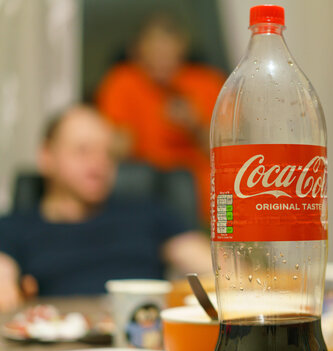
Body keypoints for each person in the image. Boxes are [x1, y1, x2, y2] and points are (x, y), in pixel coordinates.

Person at [0, 105, 212, 312]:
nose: (99, 162)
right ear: (46, 156)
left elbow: (216, 272)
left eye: (108, 153)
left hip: (141, 336)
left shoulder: (148, 214)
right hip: (55, 341)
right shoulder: (13, 228)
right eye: (83, 150)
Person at [97, 14, 225, 222]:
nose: (161, 60)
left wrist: (195, 125)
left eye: (167, 53)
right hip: (143, 179)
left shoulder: (207, 83)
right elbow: (117, 146)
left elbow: (226, 154)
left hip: (197, 186)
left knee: (185, 182)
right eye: (154, 52)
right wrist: (118, 141)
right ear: (138, 51)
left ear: (181, 48)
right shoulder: (123, 82)